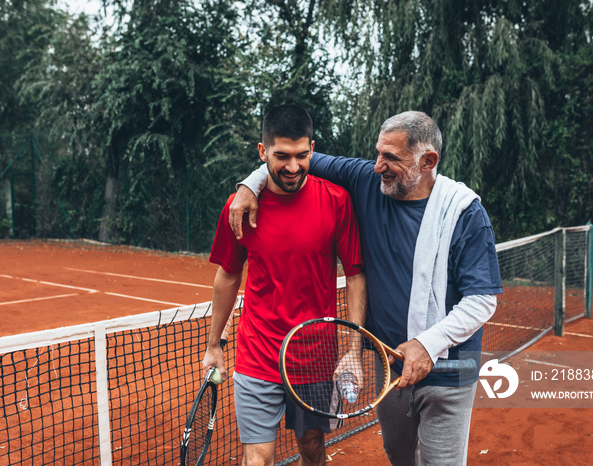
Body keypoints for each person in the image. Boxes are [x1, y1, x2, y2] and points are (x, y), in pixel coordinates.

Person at [230, 111, 503, 465]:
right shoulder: (367, 182)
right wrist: (249, 184)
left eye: (391, 158)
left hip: (448, 372)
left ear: (428, 161)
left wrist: (427, 344)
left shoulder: (466, 214)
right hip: (388, 364)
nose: (378, 166)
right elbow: (293, 159)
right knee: (398, 455)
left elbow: (482, 301)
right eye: (378, 154)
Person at [202, 104, 366, 466]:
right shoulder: (239, 207)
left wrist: (353, 349)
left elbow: (355, 275)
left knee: (311, 447)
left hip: (315, 358)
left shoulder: (337, 202)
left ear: (312, 148)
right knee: (256, 457)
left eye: (302, 155)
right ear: (263, 153)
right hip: (257, 356)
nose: (292, 167)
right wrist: (214, 345)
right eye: (281, 156)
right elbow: (228, 274)